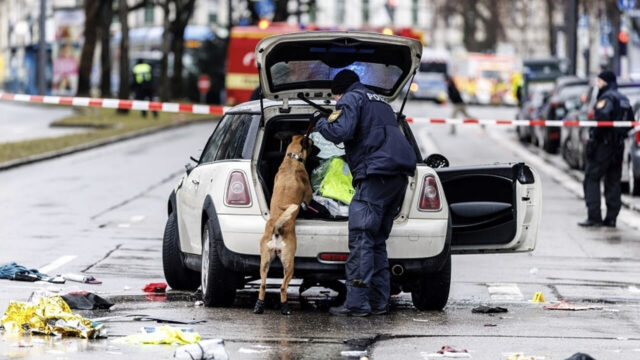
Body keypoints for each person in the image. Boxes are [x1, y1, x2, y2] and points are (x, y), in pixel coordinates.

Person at [311, 70, 417, 316]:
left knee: (361, 238)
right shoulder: (380, 101)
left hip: (375, 175)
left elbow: (341, 132)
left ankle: (357, 304)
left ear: (339, 92)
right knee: (376, 241)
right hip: (396, 178)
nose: (337, 102)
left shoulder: (350, 98)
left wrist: (321, 122)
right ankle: (379, 303)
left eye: (335, 98)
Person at [579, 70, 634, 228]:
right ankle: (611, 218)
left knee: (592, 177)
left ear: (606, 82)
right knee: (613, 181)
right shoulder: (623, 99)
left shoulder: (606, 98)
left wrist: (594, 139)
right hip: (618, 146)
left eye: (600, 81)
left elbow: (602, 119)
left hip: (603, 145)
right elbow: (630, 122)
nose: (598, 84)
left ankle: (594, 217)